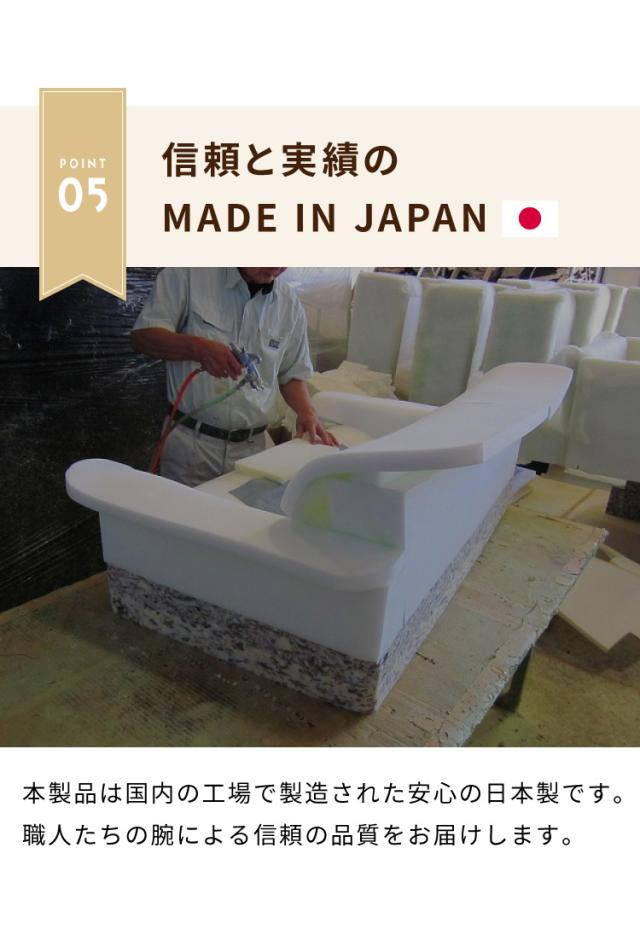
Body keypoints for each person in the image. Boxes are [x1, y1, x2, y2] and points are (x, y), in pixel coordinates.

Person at [131, 267, 336, 486]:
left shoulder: (289, 305)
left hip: (252, 450)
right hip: (192, 448)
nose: (277, 266)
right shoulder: (188, 275)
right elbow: (143, 337)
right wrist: (197, 348)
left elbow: (291, 373)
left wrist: (307, 412)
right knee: (183, 508)